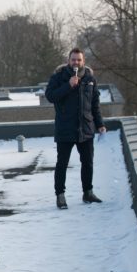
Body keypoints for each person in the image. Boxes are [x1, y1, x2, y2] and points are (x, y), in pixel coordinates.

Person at [45, 48, 106, 209]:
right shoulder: (59, 77)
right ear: (68, 60)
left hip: (85, 129)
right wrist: (68, 85)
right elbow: (50, 96)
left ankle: (88, 193)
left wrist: (99, 124)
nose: (76, 63)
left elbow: (95, 104)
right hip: (65, 129)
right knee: (62, 164)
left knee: (88, 163)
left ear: (83, 61)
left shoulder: (90, 79)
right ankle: (60, 196)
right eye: (73, 60)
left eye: (79, 60)